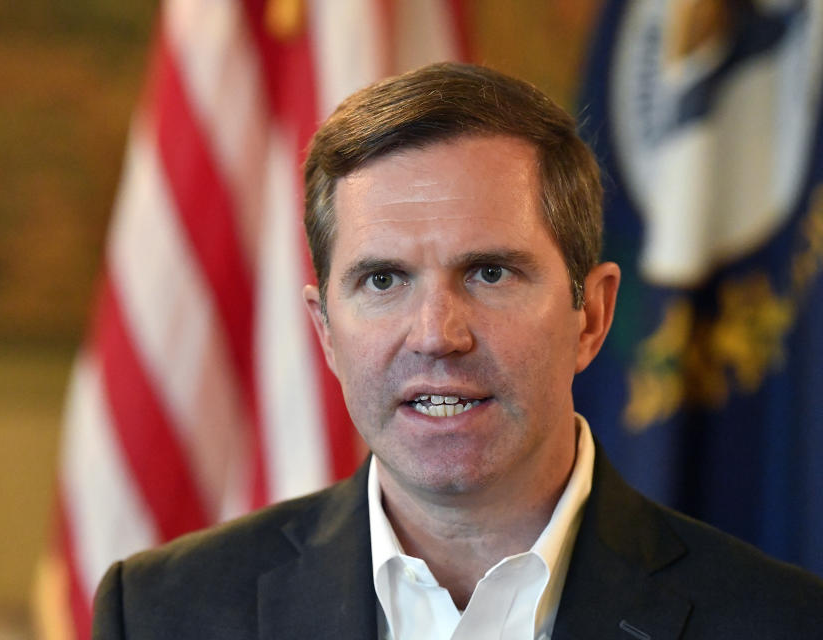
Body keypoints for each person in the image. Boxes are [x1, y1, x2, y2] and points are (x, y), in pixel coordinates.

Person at [92, 62, 823, 640]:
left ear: (591, 316)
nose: (438, 333)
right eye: (383, 280)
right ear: (324, 333)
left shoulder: (782, 623)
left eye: (490, 272)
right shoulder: (162, 615)